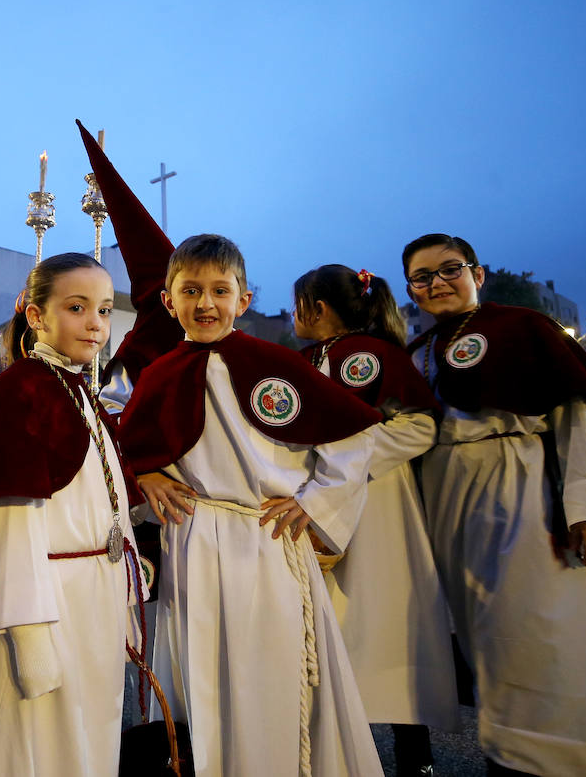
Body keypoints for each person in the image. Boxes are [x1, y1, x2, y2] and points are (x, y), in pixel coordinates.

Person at [121, 233, 387, 777]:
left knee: (270, 674)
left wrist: (317, 502)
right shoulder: (158, 375)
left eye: (220, 291)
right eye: (191, 291)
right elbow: (124, 450)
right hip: (192, 543)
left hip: (266, 539)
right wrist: (144, 476)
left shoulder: (275, 364)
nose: (205, 303)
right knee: (200, 679)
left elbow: (353, 434)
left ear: (243, 300)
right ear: (169, 301)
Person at [402, 233, 586, 776]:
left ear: (478, 274)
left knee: (543, 629)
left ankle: (571, 759)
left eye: (449, 269)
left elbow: (574, 416)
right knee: (484, 637)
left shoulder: (522, 327)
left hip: (522, 487)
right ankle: (509, 754)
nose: (437, 283)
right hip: (447, 499)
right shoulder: (415, 353)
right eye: (422, 277)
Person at [0, 252, 142, 777]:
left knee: (88, 741)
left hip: (92, 599)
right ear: (35, 315)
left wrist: (127, 584)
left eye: (104, 309)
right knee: (39, 747)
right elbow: (8, 523)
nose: (95, 323)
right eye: (77, 307)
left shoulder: (75, 388)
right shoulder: (26, 393)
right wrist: (28, 633)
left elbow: (107, 497)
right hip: (50, 607)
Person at [293, 264, 458, 775]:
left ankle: (414, 757)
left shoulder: (374, 355)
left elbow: (419, 426)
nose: (295, 313)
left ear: (318, 308)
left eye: (298, 303)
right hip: (308, 505)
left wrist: (340, 460)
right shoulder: (301, 360)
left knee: (386, 625)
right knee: (323, 634)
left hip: (377, 506)